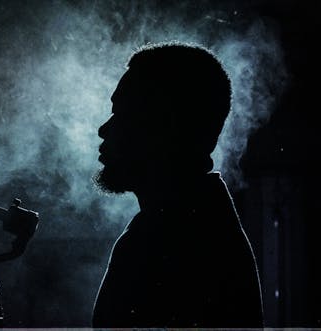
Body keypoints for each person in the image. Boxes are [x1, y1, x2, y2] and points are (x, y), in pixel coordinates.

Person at [92, 42, 263, 328]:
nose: (104, 129)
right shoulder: (194, 226)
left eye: (122, 114)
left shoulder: (173, 242)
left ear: (164, 127)